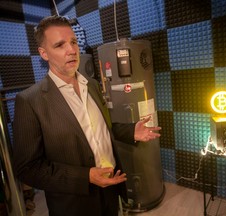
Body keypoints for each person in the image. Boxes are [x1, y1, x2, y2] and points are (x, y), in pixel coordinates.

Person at [12, 15, 161, 216]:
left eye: (73, 42)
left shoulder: (91, 85)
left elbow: (99, 128)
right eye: (60, 45)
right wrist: (86, 176)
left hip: (110, 190)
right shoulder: (30, 101)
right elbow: (27, 168)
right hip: (74, 203)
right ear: (44, 53)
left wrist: (130, 130)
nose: (71, 50)